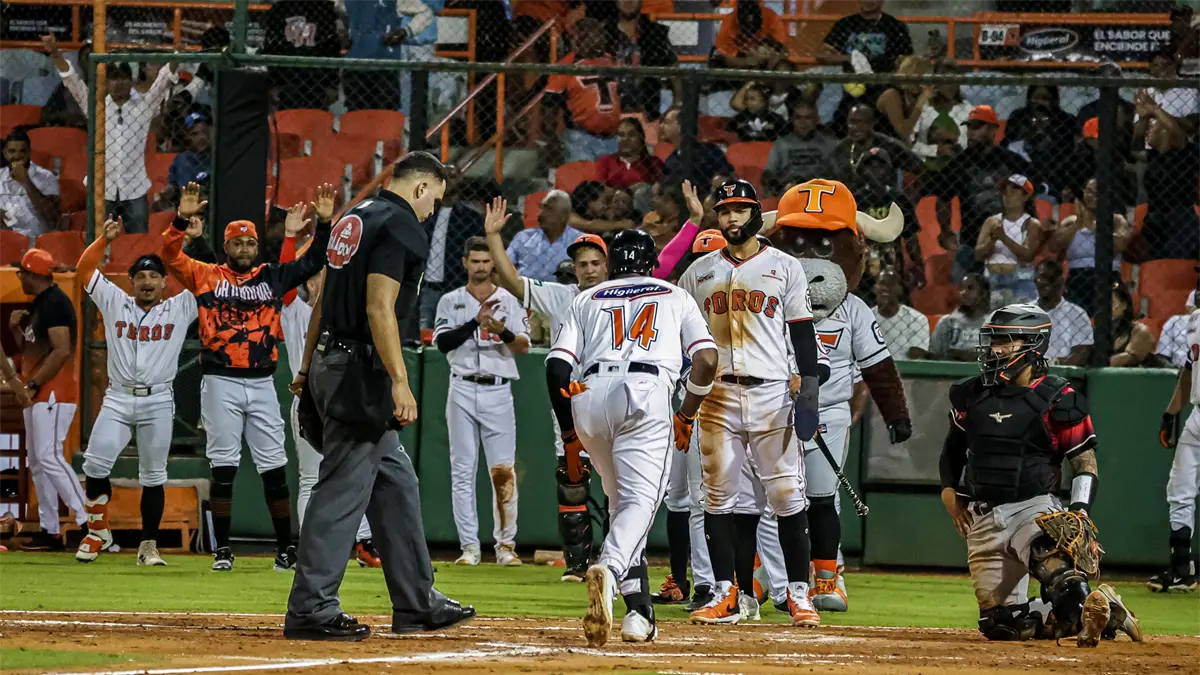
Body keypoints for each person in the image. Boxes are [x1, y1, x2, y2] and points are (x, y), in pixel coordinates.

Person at [285, 151, 473, 641]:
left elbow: (323, 300)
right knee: (340, 490)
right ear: (420, 188)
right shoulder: (401, 224)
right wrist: (400, 380)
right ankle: (311, 608)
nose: (432, 210)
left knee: (396, 485)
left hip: (330, 359)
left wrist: (306, 367)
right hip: (359, 373)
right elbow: (379, 307)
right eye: (434, 198)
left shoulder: (354, 218)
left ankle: (417, 602)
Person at [547, 228, 719, 647]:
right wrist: (686, 413)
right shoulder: (674, 294)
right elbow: (706, 359)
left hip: (589, 398)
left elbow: (556, 368)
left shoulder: (587, 298)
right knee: (641, 504)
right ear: (652, 262)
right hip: (644, 395)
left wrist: (569, 433)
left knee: (620, 505)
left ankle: (639, 614)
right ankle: (608, 568)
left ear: (611, 264)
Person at [940, 303, 1142, 647]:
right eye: (993, 341)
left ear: (1034, 345)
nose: (995, 350)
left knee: (1056, 570)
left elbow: (1084, 462)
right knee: (1001, 625)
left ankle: (1085, 605)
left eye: (1006, 342)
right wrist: (948, 490)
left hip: (1033, 508)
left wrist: (1079, 511)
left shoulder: (1059, 398)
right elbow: (953, 449)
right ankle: (1106, 611)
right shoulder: (971, 394)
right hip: (982, 517)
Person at [161, 182, 332, 571]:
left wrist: (323, 224)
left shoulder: (271, 276)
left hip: (261, 382)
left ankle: (285, 549)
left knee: (274, 466)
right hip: (219, 381)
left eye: (249, 243)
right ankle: (222, 549)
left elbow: (312, 262)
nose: (243, 249)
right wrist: (181, 219)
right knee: (223, 465)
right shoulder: (206, 275)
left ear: (257, 246)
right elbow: (169, 255)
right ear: (226, 247)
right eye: (237, 244)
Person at [678, 178, 823, 628]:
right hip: (717, 394)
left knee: (787, 495)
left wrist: (810, 390)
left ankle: (798, 593)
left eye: (739, 210)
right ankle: (725, 592)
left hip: (771, 394)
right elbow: (679, 327)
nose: (731, 218)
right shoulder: (699, 272)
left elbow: (802, 331)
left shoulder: (784, 267)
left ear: (756, 214)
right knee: (717, 498)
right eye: (724, 211)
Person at [485, 204, 609, 581]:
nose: (588, 269)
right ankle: (577, 563)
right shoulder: (559, 295)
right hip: (570, 400)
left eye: (595, 262)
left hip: (611, 399)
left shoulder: (623, 295)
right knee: (571, 480)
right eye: (582, 263)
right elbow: (512, 281)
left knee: (620, 485)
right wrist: (493, 236)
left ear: (607, 265)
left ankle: (616, 559)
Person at [73, 215, 198, 566]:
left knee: (153, 476)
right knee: (95, 464)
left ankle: (148, 547)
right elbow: (84, 270)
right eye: (140, 276)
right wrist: (103, 240)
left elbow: (205, 279)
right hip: (118, 397)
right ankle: (97, 531)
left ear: (164, 282)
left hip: (158, 400)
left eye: (154, 276)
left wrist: (192, 240)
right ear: (131, 282)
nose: (147, 282)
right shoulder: (115, 302)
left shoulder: (180, 306)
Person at [277, 205, 378, 568]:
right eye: (322, 275)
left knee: (355, 473)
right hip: (309, 399)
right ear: (310, 282)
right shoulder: (296, 311)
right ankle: (311, 550)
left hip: (347, 398)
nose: (330, 280)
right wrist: (290, 238)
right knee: (311, 477)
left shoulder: (350, 312)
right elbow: (284, 284)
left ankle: (363, 542)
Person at [434, 237, 530, 567]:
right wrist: (475, 322)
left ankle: (505, 546)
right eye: (475, 261)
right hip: (461, 387)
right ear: (465, 263)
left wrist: (501, 331)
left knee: (503, 471)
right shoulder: (450, 301)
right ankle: (470, 547)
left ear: (494, 263)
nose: (481, 267)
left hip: (498, 389)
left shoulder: (510, 300)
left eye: (486, 261)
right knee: (462, 470)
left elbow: (523, 346)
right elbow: (442, 343)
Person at [45, 35, 176, 234]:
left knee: (138, 240)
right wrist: (55, 54)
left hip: (135, 187)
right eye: (113, 78)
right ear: (106, 82)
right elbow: (72, 81)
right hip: (101, 187)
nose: (118, 83)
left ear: (130, 81)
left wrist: (177, 56)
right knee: (99, 238)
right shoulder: (95, 106)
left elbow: (163, 81)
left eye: (122, 78)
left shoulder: (144, 105)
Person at [11, 248, 85, 551]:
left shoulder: (55, 303)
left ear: (32, 275)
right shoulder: (40, 304)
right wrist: (15, 329)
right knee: (39, 461)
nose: (20, 278)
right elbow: (31, 349)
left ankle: (91, 523)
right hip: (38, 391)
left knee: (49, 455)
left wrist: (34, 384)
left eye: (22, 273)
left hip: (54, 390)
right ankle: (50, 530)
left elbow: (62, 349)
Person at [929, 105, 1030, 279]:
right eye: (969, 128)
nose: (971, 133)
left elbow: (1029, 197)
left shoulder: (1011, 161)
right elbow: (942, 197)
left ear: (992, 130)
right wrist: (946, 231)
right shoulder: (960, 164)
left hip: (1008, 241)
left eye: (977, 127)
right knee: (962, 280)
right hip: (972, 241)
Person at [1154, 307, 1200, 593]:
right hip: (1197, 415)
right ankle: (1182, 569)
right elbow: (1189, 368)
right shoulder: (1196, 319)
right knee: (1179, 490)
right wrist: (1171, 413)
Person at [1044, 178, 1131, 315]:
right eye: (1088, 191)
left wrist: (1093, 226)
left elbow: (1121, 244)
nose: (1091, 196)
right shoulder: (1071, 222)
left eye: (1097, 193)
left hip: (1108, 276)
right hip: (1077, 279)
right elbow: (1053, 246)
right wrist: (1078, 224)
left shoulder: (1116, 220)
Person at [542, 19, 622, 164]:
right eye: (596, 34)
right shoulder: (566, 65)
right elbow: (550, 103)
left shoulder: (610, 61)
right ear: (580, 38)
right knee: (585, 177)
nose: (601, 39)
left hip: (611, 137)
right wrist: (551, 138)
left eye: (601, 34)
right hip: (580, 137)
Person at [853, 147, 922, 302]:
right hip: (864, 269)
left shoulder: (898, 199)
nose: (875, 171)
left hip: (893, 266)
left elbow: (911, 238)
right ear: (863, 171)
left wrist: (918, 265)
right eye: (871, 167)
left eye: (880, 166)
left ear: (888, 170)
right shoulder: (855, 200)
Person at [1135, 98, 1200, 261]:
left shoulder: (1185, 153)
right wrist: (1143, 118)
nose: (1147, 131)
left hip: (1180, 220)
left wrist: (1155, 109)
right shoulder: (1153, 156)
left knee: (1174, 261)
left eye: (1151, 127)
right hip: (1155, 218)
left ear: (1165, 131)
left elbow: (1175, 130)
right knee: (1154, 262)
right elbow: (1135, 146)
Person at [975, 174, 1043, 305]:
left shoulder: (1031, 224)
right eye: (1005, 191)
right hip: (993, 280)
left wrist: (1003, 237)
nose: (1007, 194)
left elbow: (1028, 255)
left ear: (1026, 196)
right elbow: (978, 254)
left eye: (1013, 191)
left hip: (1020, 281)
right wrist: (992, 240)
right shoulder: (991, 221)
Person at [260, 0, 341, 111]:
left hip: (316, 80)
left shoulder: (324, 10)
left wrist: (331, 84)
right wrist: (273, 83)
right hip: (288, 79)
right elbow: (272, 48)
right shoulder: (280, 9)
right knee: (288, 115)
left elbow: (331, 47)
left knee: (315, 115)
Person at [605, 0, 678, 119]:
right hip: (609, 113)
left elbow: (674, 68)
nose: (628, 1)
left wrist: (677, 103)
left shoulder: (656, 33)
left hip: (647, 112)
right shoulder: (604, 32)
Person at [828, 104, 923, 185]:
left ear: (872, 123)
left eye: (861, 122)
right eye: (852, 122)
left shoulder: (890, 145)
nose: (855, 128)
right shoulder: (840, 150)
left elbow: (920, 169)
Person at [818, 0, 912, 78]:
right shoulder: (845, 24)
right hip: (850, 79)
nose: (868, 1)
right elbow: (822, 54)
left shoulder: (895, 26)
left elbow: (906, 58)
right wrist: (850, 58)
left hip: (884, 80)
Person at [762, 100, 836, 195]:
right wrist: (778, 184)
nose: (802, 122)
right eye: (798, 118)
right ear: (792, 120)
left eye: (807, 118)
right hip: (790, 190)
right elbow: (768, 173)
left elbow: (839, 174)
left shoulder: (829, 144)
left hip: (821, 190)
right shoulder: (781, 144)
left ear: (816, 120)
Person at [507, 190, 583, 282]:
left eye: (549, 209)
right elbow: (504, 268)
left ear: (564, 216)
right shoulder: (523, 237)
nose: (540, 214)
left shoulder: (580, 241)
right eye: (541, 208)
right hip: (525, 290)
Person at [659, 108, 734, 195]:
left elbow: (725, 175)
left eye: (667, 122)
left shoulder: (709, 151)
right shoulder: (671, 160)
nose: (661, 126)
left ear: (681, 126)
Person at [0, 130, 61, 238]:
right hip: (5, 238)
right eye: (12, 151)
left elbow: (52, 219)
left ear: (29, 152)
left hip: (35, 239)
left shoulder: (46, 177)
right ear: (5, 153)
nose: (17, 156)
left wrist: (26, 181)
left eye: (22, 151)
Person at [1033, 259, 1092, 366]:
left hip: (1063, 373)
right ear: (1035, 281)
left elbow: (1081, 353)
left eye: (1052, 277)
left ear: (1061, 281)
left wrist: (1054, 363)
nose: (1046, 282)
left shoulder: (1077, 314)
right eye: (1042, 277)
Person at [909, 65, 973, 160]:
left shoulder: (967, 108)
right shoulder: (924, 107)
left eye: (955, 81)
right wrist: (937, 150)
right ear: (936, 84)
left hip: (959, 162)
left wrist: (953, 138)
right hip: (924, 163)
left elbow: (971, 143)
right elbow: (910, 142)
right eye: (947, 82)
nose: (951, 87)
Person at [711, 0, 791, 71]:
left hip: (764, 61)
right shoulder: (729, 23)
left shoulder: (771, 18)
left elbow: (784, 51)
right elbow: (725, 58)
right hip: (739, 61)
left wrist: (770, 56)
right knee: (717, 61)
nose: (751, 37)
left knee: (783, 67)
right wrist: (750, 61)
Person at [929, 273, 991, 362]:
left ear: (983, 293)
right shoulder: (948, 322)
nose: (963, 293)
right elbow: (934, 354)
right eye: (961, 289)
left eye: (970, 288)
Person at [872, 267, 928, 360]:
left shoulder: (917, 319)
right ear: (875, 288)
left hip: (904, 368)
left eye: (891, 284)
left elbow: (916, 356)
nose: (885, 288)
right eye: (882, 283)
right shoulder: (865, 318)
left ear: (900, 290)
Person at [1004, 85, 1078, 155]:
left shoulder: (1066, 120)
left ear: (1054, 101)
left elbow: (1069, 150)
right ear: (1029, 100)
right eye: (1036, 98)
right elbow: (1008, 143)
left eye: (1045, 98)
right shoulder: (1018, 117)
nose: (1040, 102)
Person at [159, 112, 213, 209]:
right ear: (187, 137)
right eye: (195, 134)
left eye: (205, 132)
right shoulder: (180, 160)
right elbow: (172, 188)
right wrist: (165, 193)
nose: (202, 137)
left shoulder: (218, 156)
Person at [874, 55, 933, 143]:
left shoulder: (921, 93)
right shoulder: (891, 95)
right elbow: (904, 132)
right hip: (881, 145)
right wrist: (919, 105)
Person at [596, 118, 664, 190]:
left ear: (641, 137)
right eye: (621, 135)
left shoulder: (654, 162)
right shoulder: (605, 162)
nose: (625, 139)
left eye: (632, 135)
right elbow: (601, 190)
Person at [1109, 281, 1155, 368]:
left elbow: (1126, 359)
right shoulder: (1100, 331)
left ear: (1124, 305)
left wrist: (1099, 361)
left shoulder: (1139, 330)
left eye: (1112, 303)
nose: (1107, 308)